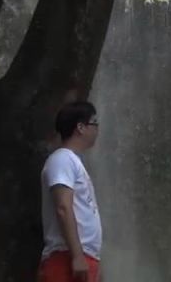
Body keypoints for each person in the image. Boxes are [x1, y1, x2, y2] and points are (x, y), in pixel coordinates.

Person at [38, 101, 102, 282]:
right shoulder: (62, 159)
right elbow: (63, 207)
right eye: (94, 123)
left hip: (80, 257)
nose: (97, 129)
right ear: (80, 127)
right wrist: (77, 256)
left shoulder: (74, 162)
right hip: (65, 259)